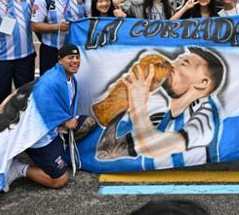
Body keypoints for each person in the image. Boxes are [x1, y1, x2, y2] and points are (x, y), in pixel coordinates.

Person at [96, 47, 225, 169]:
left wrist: (137, 102)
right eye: (176, 60)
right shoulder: (159, 117)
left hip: (190, 188)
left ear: (202, 83)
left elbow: (153, 147)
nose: (172, 65)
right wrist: (122, 98)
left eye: (184, 63)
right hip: (149, 188)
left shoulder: (206, 116)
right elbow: (106, 152)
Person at [5, 44, 90, 190]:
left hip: (55, 128)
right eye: (70, 57)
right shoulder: (50, 80)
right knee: (60, 180)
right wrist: (63, 121)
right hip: (41, 136)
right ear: (60, 60)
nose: (75, 60)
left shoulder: (70, 79)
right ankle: (18, 168)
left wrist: (64, 121)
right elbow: (39, 107)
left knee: (88, 122)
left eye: (77, 57)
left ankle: (60, 150)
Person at [31, 0, 91, 75]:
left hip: (76, 50)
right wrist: (57, 27)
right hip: (52, 50)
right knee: (50, 85)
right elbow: (34, 25)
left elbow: (92, 19)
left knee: (78, 83)